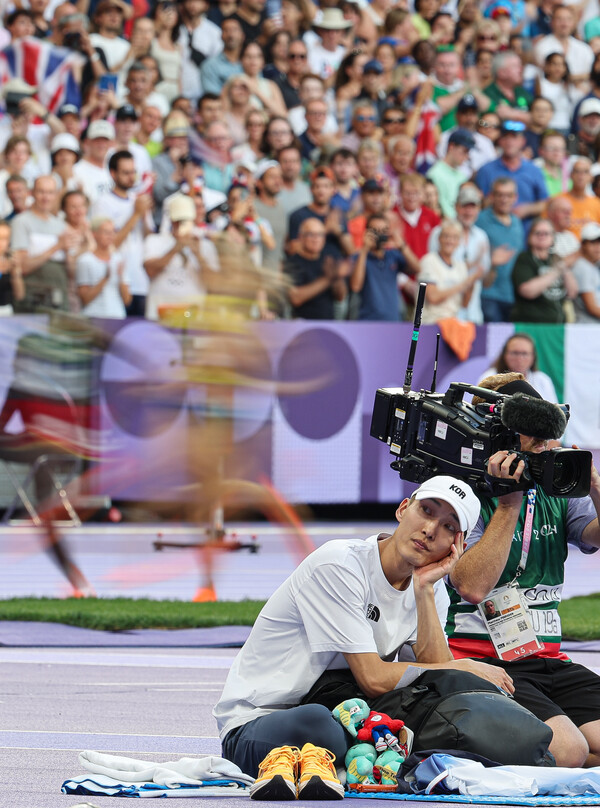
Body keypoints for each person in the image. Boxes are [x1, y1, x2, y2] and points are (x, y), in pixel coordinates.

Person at [213, 474, 513, 785]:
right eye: (426, 511)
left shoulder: (430, 586)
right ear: (402, 509)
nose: (430, 530)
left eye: (449, 527)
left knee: (423, 725)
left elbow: (436, 678)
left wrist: (424, 590)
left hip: (345, 714)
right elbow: (372, 678)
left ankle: (354, 762)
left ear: (457, 545)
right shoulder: (340, 564)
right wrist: (460, 667)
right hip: (262, 723)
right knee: (324, 724)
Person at [446, 373, 600, 768]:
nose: (550, 449)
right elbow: (472, 586)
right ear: (502, 439)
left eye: (551, 436)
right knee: (568, 751)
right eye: (536, 438)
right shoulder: (459, 492)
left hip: (546, 657)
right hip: (483, 659)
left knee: (575, 751)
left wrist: (593, 483)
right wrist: (508, 502)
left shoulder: (556, 487)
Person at [511, 218, 578, 323]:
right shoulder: (525, 258)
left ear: (553, 238)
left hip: (558, 325)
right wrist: (556, 271)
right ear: (529, 237)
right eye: (537, 233)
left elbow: (572, 293)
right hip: (532, 324)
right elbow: (527, 291)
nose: (542, 236)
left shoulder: (556, 258)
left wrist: (565, 268)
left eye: (546, 233)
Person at [476, 177, 524, 322]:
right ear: (491, 196)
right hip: (488, 294)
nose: (504, 199)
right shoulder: (480, 220)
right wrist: (491, 261)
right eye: (499, 194)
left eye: (509, 195)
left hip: (513, 294)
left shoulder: (517, 222)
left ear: (515, 197)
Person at [420, 219, 484, 324]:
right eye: (446, 236)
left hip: (453, 322)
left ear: (459, 242)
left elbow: (464, 304)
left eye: (455, 237)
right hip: (430, 322)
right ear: (439, 239)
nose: (450, 241)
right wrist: (464, 284)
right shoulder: (429, 261)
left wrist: (471, 284)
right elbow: (433, 297)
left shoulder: (461, 266)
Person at [283, 217, 348, 319]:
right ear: (301, 237)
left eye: (320, 235)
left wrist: (337, 276)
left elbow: (340, 296)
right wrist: (327, 279)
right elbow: (295, 298)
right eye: (311, 234)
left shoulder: (328, 261)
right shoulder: (292, 263)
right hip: (302, 326)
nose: (316, 239)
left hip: (328, 325)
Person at [350, 212, 409, 321]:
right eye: (375, 231)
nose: (379, 235)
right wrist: (364, 249)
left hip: (393, 321)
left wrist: (401, 245)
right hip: (367, 322)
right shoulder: (358, 257)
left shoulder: (393, 255)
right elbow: (355, 286)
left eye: (383, 231)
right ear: (366, 232)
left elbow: (417, 269)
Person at [76, 217, 131, 318]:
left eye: (112, 232)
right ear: (94, 234)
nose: (110, 236)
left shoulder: (118, 259)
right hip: (94, 315)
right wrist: (105, 279)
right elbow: (85, 299)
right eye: (106, 232)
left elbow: (127, 300)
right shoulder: (85, 260)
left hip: (117, 315)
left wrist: (121, 278)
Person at [481, 332, 558, 402]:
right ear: (505, 354)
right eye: (515, 353)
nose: (519, 358)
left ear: (533, 357)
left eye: (524, 353)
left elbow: (554, 411)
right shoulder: (490, 377)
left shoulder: (543, 380)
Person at [427, 129, 475, 219]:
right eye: (464, 151)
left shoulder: (462, 176)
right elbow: (440, 209)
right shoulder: (435, 173)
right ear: (451, 147)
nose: (467, 156)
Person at [572, 222, 600, 322]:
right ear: (583, 245)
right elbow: (591, 307)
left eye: (599, 242)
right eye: (593, 242)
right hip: (587, 327)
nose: (597, 247)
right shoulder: (582, 267)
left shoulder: (594, 265)